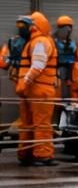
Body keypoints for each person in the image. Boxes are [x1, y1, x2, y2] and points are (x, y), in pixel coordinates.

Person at [15, 12, 59, 167]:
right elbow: (37, 66)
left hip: (31, 89)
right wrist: (26, 83)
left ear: (35, 27)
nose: (21, 29)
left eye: (24, 26)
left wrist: (24, 84)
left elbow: (37, 65)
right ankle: (42, 155)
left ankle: (27, 153)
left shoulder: (37, 42)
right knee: (40, 124)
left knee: (29, 123)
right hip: (39, 89)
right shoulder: (39, 41)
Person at [53, 16, 77, 102]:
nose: (69, 30)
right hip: (58, 70)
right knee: (59, 94)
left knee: (68, 95)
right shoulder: (53, 41)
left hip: (71, 71)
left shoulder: (72, 42)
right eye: (66, 28)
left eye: (70, 27)